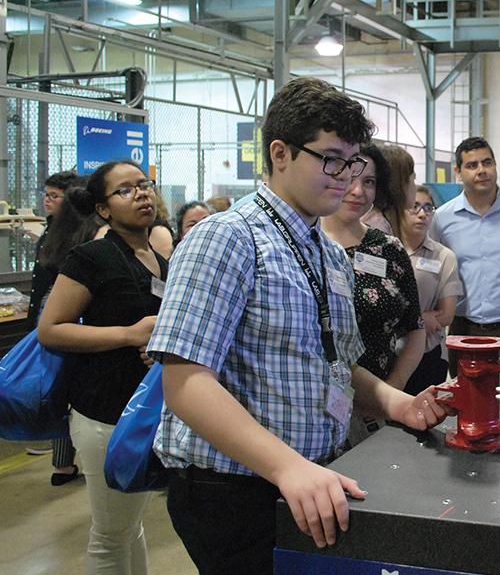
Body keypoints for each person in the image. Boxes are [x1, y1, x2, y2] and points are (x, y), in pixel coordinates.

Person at [147, 77, 450, 575]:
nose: (345, 178)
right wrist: (287, 467)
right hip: (236, 492)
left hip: (308, 478)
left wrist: (399, 404)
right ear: (280, 153)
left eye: (352, 162)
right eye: (330, 159)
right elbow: (185, 384)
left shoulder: (325, 249)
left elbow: (333, 364)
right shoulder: (227, 238)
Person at [38, 160, 167, 574]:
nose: (141, 194)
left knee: (129, 527)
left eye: (144, 184)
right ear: (103, 209)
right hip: (103, 413)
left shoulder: (158, 260)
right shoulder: (91, 258)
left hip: (142, 411)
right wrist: (128, 334)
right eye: (125, 190)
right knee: (110, 536)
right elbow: (51, 330)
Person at [321, 142, 425, 445]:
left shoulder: (389, 249)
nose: (358, 191)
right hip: (315, 408)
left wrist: (391, 392)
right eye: (351, 178)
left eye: (369, 182)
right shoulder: (307, 246)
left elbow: (415, 328)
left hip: (378, 408)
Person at [430, 136, 500, 373]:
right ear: (458, 172)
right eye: (472, 165)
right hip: (464, 330)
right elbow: (437, 272)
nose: (481, 170)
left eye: (487, 162)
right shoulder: (442, 219)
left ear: (495, 165)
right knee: (466, 393)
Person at [26, 171, 88, 481]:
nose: (47, 201)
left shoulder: (81, 235)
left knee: (64, 388)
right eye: (45, 194)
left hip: (68, 324)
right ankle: (61, 461)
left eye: (54, 196)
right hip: (47, 321)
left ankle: (63, 461)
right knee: (57, 387)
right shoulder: (51, 229)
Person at [398, 186, 463, 395]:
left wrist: (403, 323)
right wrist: (419, 319)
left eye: (428, 208)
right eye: (414, 206)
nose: (422, 213)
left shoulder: (444, 257)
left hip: (428, 354)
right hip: (386, 352)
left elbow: (446, 315)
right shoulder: (383, 250)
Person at [361, 144, 416, 235]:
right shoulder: (378, 227)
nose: (415, 188)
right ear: (399, 183)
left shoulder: (382, 220)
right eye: (413, 180)